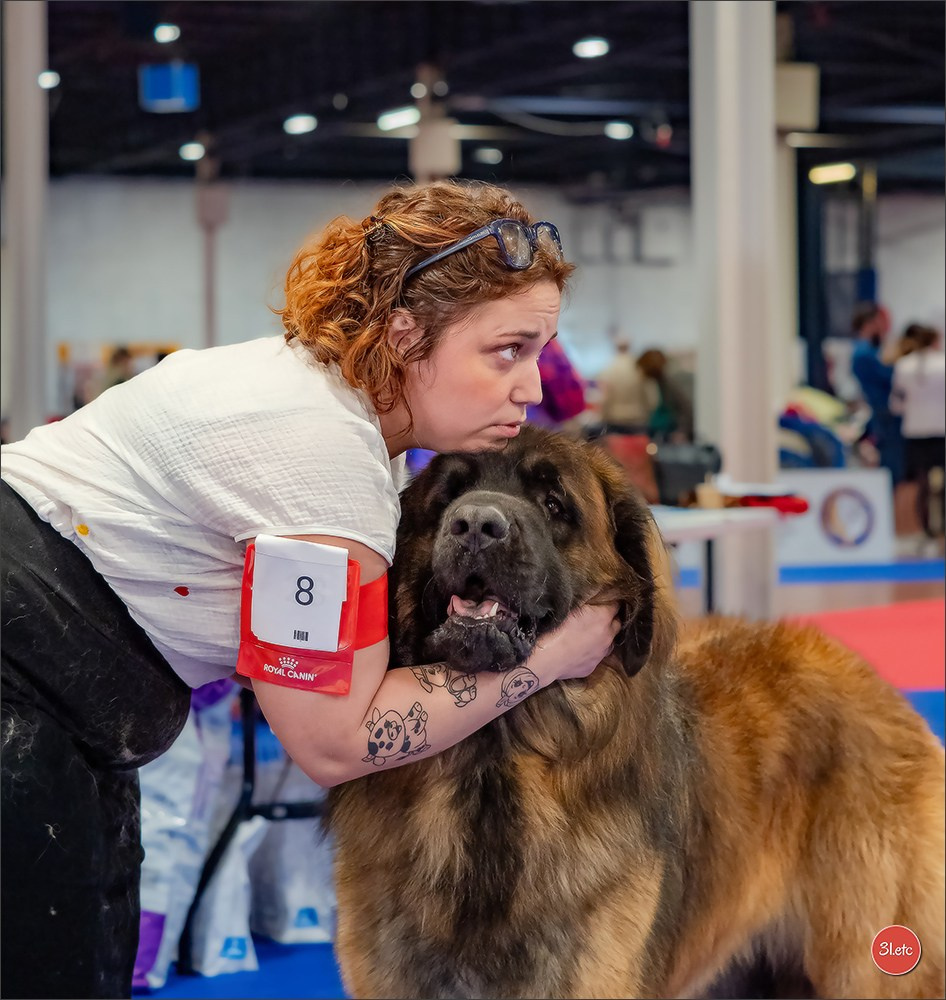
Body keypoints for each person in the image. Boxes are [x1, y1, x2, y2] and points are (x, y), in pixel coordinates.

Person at [0, 180, 621, 999]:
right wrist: (546, 658)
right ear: (406, 333)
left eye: (539, 351)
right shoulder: (320, 451)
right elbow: (332, 741)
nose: (533, 388)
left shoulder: (325, 400)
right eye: (506, 351)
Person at [890, 324, 945, 545]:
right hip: (941, 430)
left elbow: (896, 404)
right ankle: (941, 528)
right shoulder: (942, 364)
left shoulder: (903, 366)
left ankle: (925, 530)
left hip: (915, 431)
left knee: (921, 483)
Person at [849, 301, 904, 486]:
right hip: (887, 418)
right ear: (872, 323)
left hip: (885, 416)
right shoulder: (864, 353)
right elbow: (892, 378)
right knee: (895, 471)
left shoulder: (870, 351)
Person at [597, 339, 659, 433]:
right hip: (638, 420)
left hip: (615, 421)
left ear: (616, 348)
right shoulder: (640, 368)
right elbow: (653, 400)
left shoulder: (609, 369)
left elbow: (606, 398)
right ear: (630, 346)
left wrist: (602, 417)